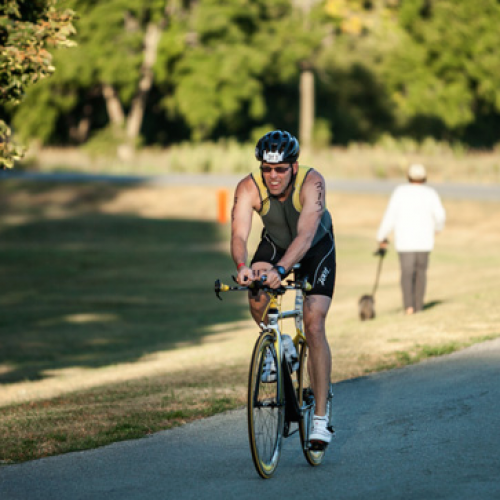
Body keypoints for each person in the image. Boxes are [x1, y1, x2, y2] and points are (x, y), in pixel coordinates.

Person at [230, 130, 336, 446]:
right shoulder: (248, 187)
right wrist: (242, 267)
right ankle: (281, 345)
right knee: (257, 293)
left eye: (279, 169)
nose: (272, 176)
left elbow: (305, 236)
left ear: (294, 165)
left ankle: (320, 420)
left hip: (316, 247)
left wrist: (281, 270)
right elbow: (238, 234)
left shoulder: (312, 182)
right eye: (267, 168)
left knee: (314, 322)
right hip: (275, 245)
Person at [376, 163, 446, 315]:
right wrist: (437, 228)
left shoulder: (400, 192)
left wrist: (382, 236)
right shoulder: (430, 193)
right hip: (424, 240)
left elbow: (390, 216)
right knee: (421, 273)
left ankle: (409, 306)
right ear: (424, 177)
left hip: (405, 240)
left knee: (407, 273)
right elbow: (440, 215)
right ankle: (419, 305)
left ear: (408, 176)